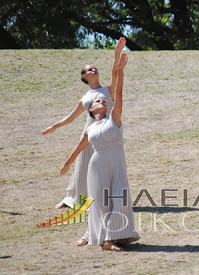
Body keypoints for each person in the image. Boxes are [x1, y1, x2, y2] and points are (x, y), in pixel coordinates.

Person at [60, 53, 140, 251]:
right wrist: (68, 164)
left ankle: (111, 235)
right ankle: (103, 239)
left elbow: (118, 94)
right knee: (99, 204)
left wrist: (120, 72)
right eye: (97, 102)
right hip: (96, 168)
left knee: (119, 200)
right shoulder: (90, 129)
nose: (101, 101)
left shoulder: (114, 119)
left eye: (103, 101)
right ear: (90, 110)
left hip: (117, 164)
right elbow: (79, 148)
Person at [42, 37, 126, 209]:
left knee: (103, 165)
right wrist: (54, 126)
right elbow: (71, 117)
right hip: (89, 131)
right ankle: (72, 199)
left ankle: (104, 198)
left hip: (106, 131)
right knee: (81, 166)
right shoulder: (85, 98)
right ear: (84, 77)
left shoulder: (108, 90)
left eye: (94, 68)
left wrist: (117, 53)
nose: (94, 70)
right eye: (89, 70)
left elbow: (115, 73)